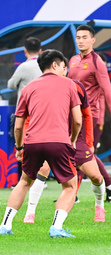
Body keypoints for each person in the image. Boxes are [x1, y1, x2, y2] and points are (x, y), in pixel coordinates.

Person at [0, 49, 82, 237]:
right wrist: (72, 141)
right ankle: (56, 227)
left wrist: (20, 148)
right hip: (59, 142)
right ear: (55, 65)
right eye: (63, 66)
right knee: (70, 186)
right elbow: (77, 121)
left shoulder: (29, 88)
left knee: (24, 182)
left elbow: (18, 126)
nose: (65, 70)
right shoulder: (69, 85)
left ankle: (5, 225)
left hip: (32, 142)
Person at [23, 70, 107, 223]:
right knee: (42, 171)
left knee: (95, 176)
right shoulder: (41, 87)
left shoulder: (76, 86)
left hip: (77, 139)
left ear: (64, 69)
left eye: (61, 67)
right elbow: (29, 117)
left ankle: (100, 208)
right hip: (52, 137)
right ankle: (30, 213)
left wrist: (89, 142)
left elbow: (87, 116)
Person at [68, 25, 111, 202]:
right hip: (72, 113)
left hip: (88, 115)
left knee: (82, 151)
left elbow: (107, 90)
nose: (80, 41)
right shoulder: (73, 60)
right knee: (77, 151)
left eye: (84, 37)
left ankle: (105, 186)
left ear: (93, 40)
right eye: (78, 37)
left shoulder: (97, 62)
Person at [7, 36, 42, 186]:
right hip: (42, 110)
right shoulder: (45, 65)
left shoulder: (24, 66)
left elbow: (10, 85)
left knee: (22, 144)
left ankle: (25, 178)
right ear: (40, 51)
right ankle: (42, 178)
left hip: (25, 111)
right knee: (42, 142)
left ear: (25, 50)